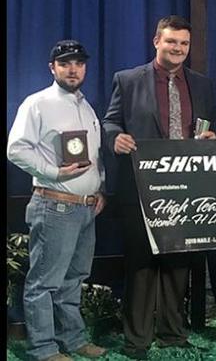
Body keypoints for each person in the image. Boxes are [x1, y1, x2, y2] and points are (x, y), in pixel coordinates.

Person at [102, 15, 216, 360]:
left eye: (184, 44)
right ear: (156, 41)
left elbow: (210, 126)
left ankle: (173, 333)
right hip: (140, 188)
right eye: (171, 42)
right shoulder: (127, 80)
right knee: (140, 264)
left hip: (186, 189)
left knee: (177, 262)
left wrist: (211, 138)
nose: (178, 49)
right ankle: (137, 340)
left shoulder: (202, 84)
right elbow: (110, 120)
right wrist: (114, 138)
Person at [7, 40, 107, 361]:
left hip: (85, 206)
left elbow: (95, 155)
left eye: (78, 62)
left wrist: (99, 189)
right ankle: (43, 348)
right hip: (55, 203)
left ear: (85, 67)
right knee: (44, 282)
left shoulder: (86, 106)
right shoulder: (37, 104)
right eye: (65, 63)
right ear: (52, 68)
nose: (73, 68)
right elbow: (16, 149)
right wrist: (53, 171)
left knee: (73, 278)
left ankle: (74, 340)